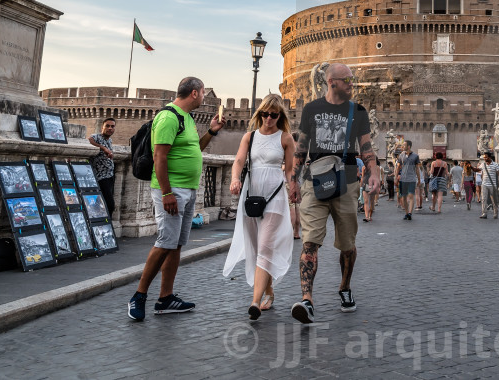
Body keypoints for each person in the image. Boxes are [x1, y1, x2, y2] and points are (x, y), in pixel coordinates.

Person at [290, 63, 380, 324]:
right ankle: (307, 300)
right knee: (310, 243)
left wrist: (373, 172)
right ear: (331, 82)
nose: (353, 84)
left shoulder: (358, 111)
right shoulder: (311, 109)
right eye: (348, 80)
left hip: (347, 182)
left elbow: (366, 147)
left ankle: (344, 287)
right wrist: (294, 181)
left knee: (348, 245)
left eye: (352, 80)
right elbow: (301, 147)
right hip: (314, 182)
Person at [128, 77, 223, 321]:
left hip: (188, 190)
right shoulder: (169, 117)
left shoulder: (187, 119)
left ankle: (166, 298)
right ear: (194, 93)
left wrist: (211, 131)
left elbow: (194, 149)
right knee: (165, 241)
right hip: (171, 190)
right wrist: (167, 192)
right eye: (203, 93)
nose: (204, 97)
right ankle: (139, 296)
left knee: (176, 244)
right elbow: (160, 157)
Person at [223, 94, 296, 321]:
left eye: (274, 115)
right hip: (252, 195)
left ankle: (254, 302)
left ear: (280, 116)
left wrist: (294, 187)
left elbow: (290, 170)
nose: (269, 118)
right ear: (260, 114)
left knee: (265, 247)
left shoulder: (285, 138)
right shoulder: (249, 137)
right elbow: (238, 161)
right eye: (265, 114)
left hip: (275, 197)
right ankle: (269, 291)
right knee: (256, 248)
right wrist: (235, 179)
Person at [87, 117, 117, 216]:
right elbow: (89, 140)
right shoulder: (97, 137)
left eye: (112, 126)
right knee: (109, 205)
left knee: (106, 204)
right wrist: (103, 148)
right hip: (101, 177)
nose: (110, 128)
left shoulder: (110, 140)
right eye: (107, 126)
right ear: (102, 127)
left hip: (110, 176)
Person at [396, 140, 420, 220]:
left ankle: (410, 213)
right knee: (403, 197)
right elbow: (398, 167)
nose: (402, 146)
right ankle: (406, 213)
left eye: (404, 145)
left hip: (412, 179)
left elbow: (417, 169)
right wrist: (396, 178)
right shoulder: (401, 155)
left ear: (409, 146)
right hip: (403, 179)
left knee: (411, 196)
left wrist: (419, 179)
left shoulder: (415, 156)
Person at [478, 152, 499, 219]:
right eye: (484, 157)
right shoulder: (483, 164)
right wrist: (471, 167)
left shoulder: (496, 165)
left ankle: (495, 213)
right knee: (483, 199)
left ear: (490, 157)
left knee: (494, 200)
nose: (485, 158)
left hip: (493, 185)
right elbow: (478, 169)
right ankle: (484, 213)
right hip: (484, 184)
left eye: (486, 157)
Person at [362, 156, 379, 222]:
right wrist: (361, 186)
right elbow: (363, 177)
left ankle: (370, 215)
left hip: (372, 185)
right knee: (366, 201)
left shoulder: (376, 167)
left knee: (371, 201)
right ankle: (367, 216)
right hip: (365, 184)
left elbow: (377, 177)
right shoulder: (364, 167)